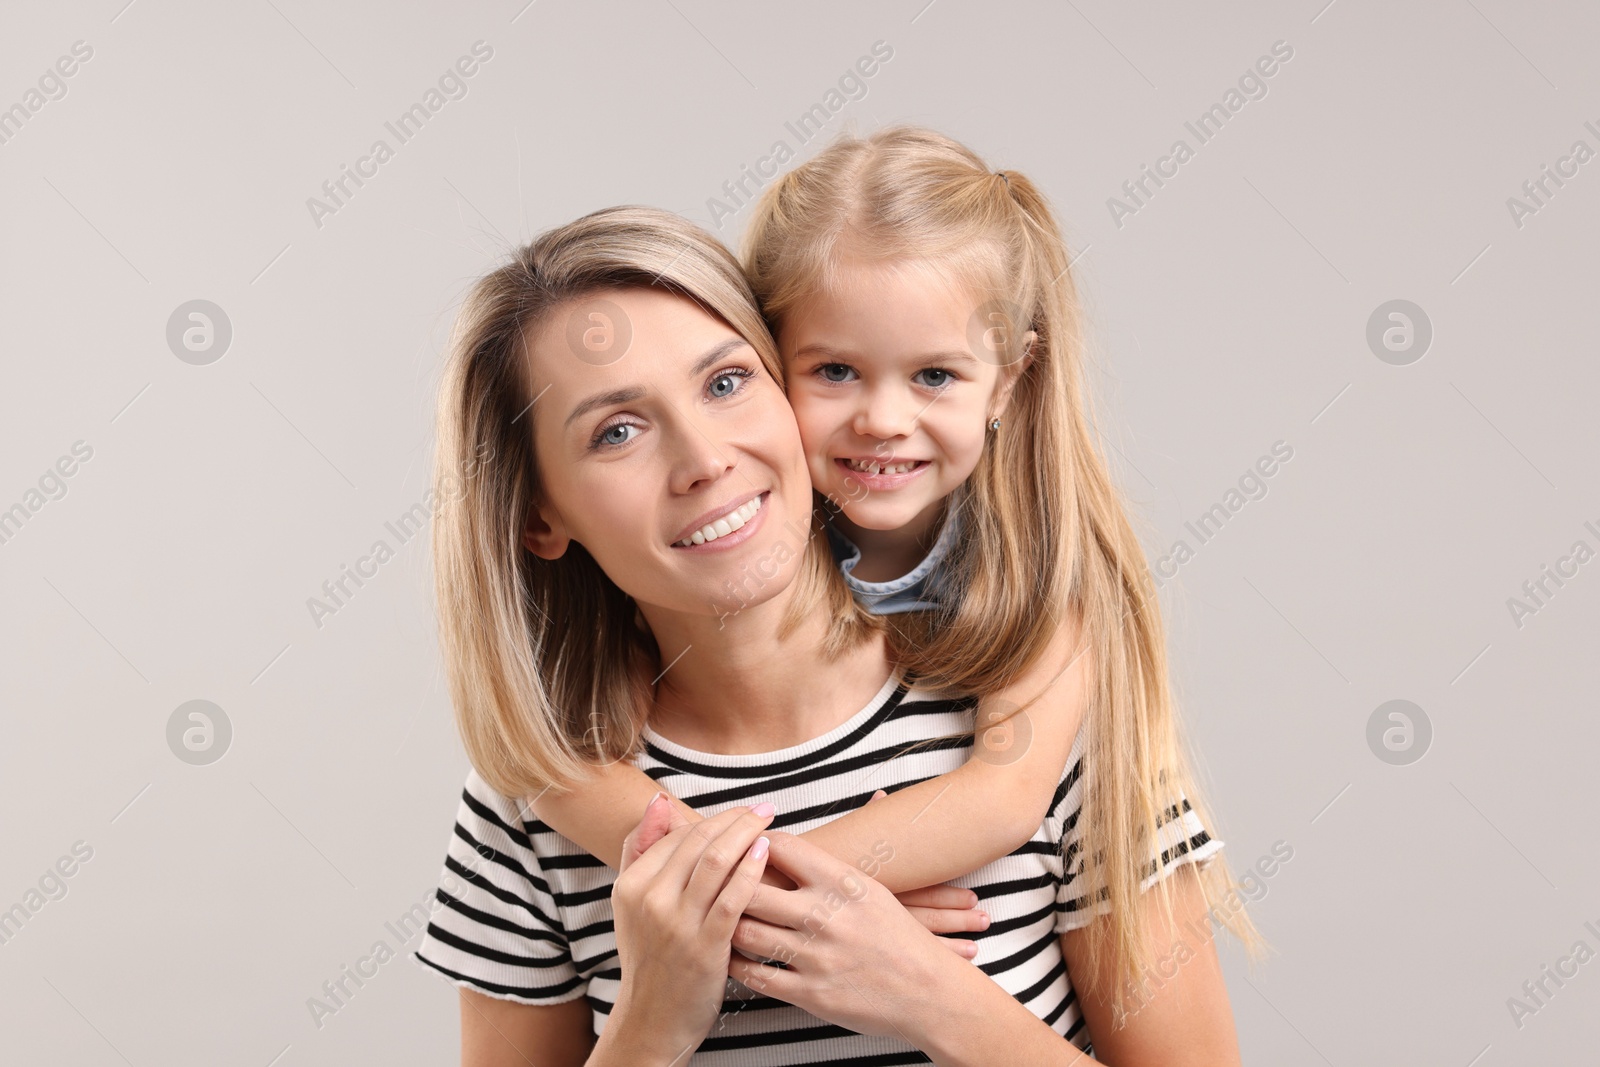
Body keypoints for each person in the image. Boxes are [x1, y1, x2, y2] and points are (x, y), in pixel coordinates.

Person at [412, 201, 1256, 1064]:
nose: (705, 457)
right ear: (538, 517)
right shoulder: (532, 809)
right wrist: (652, 1018)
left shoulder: (1032, 707)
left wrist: (929, 995)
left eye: (727, 381)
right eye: (617, 430)